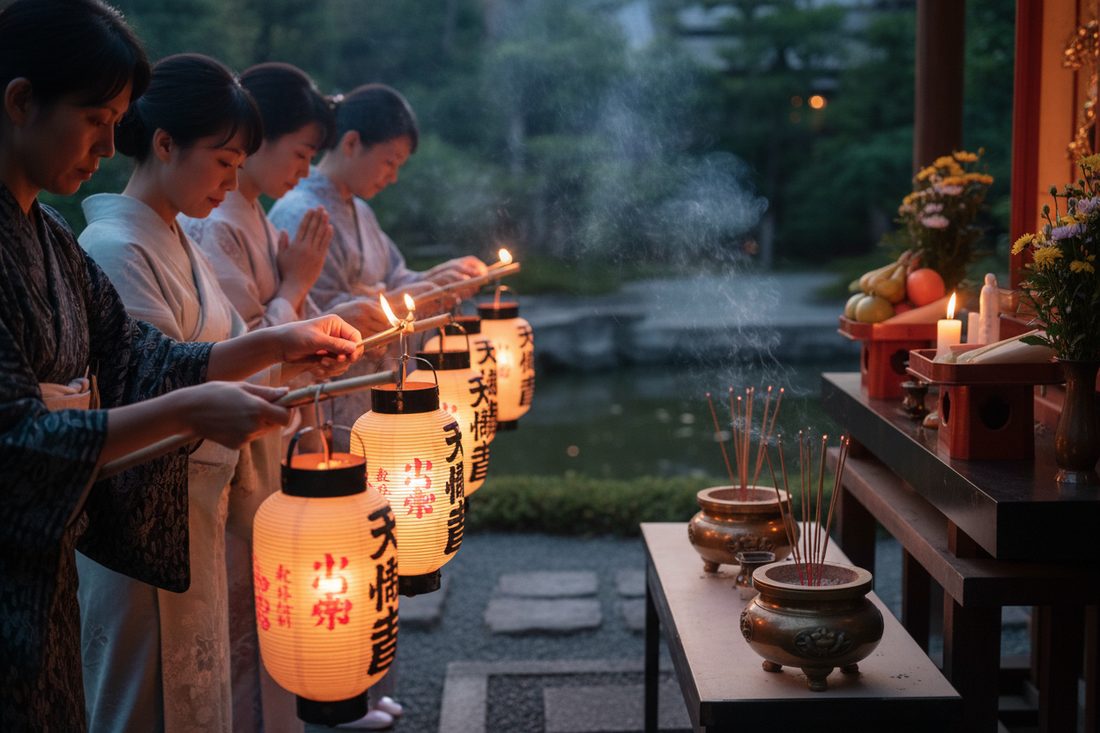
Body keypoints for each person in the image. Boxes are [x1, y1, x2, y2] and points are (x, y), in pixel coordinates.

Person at [0, 2, 362, 731]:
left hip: (64, 553)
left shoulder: (52, 241)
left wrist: (277, 344)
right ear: (20, 101)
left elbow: (144, 359)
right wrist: (196, 409)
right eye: (97, 115)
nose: (109, 141)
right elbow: (16, 442)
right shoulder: (102, 242)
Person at [180, 61, 390, 733]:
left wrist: (323, 314)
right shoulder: (223, 223)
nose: (304, 168)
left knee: (272, 602)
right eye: (300, 152)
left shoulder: (253, 216)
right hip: (245, 430)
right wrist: (295, 293)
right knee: (255, 607)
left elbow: (284, 323)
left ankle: (311, 699)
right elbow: (243, 351)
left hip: (280, 427)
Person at [269, 83, 487, 448]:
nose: (393, 176)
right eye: (390, 161)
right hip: (334, 407)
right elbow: (316, 319)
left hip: (374, 393)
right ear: (352, 143)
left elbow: (394, 278)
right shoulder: (301, 212)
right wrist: (405, 297)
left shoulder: (360, 210)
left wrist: (440, 280)